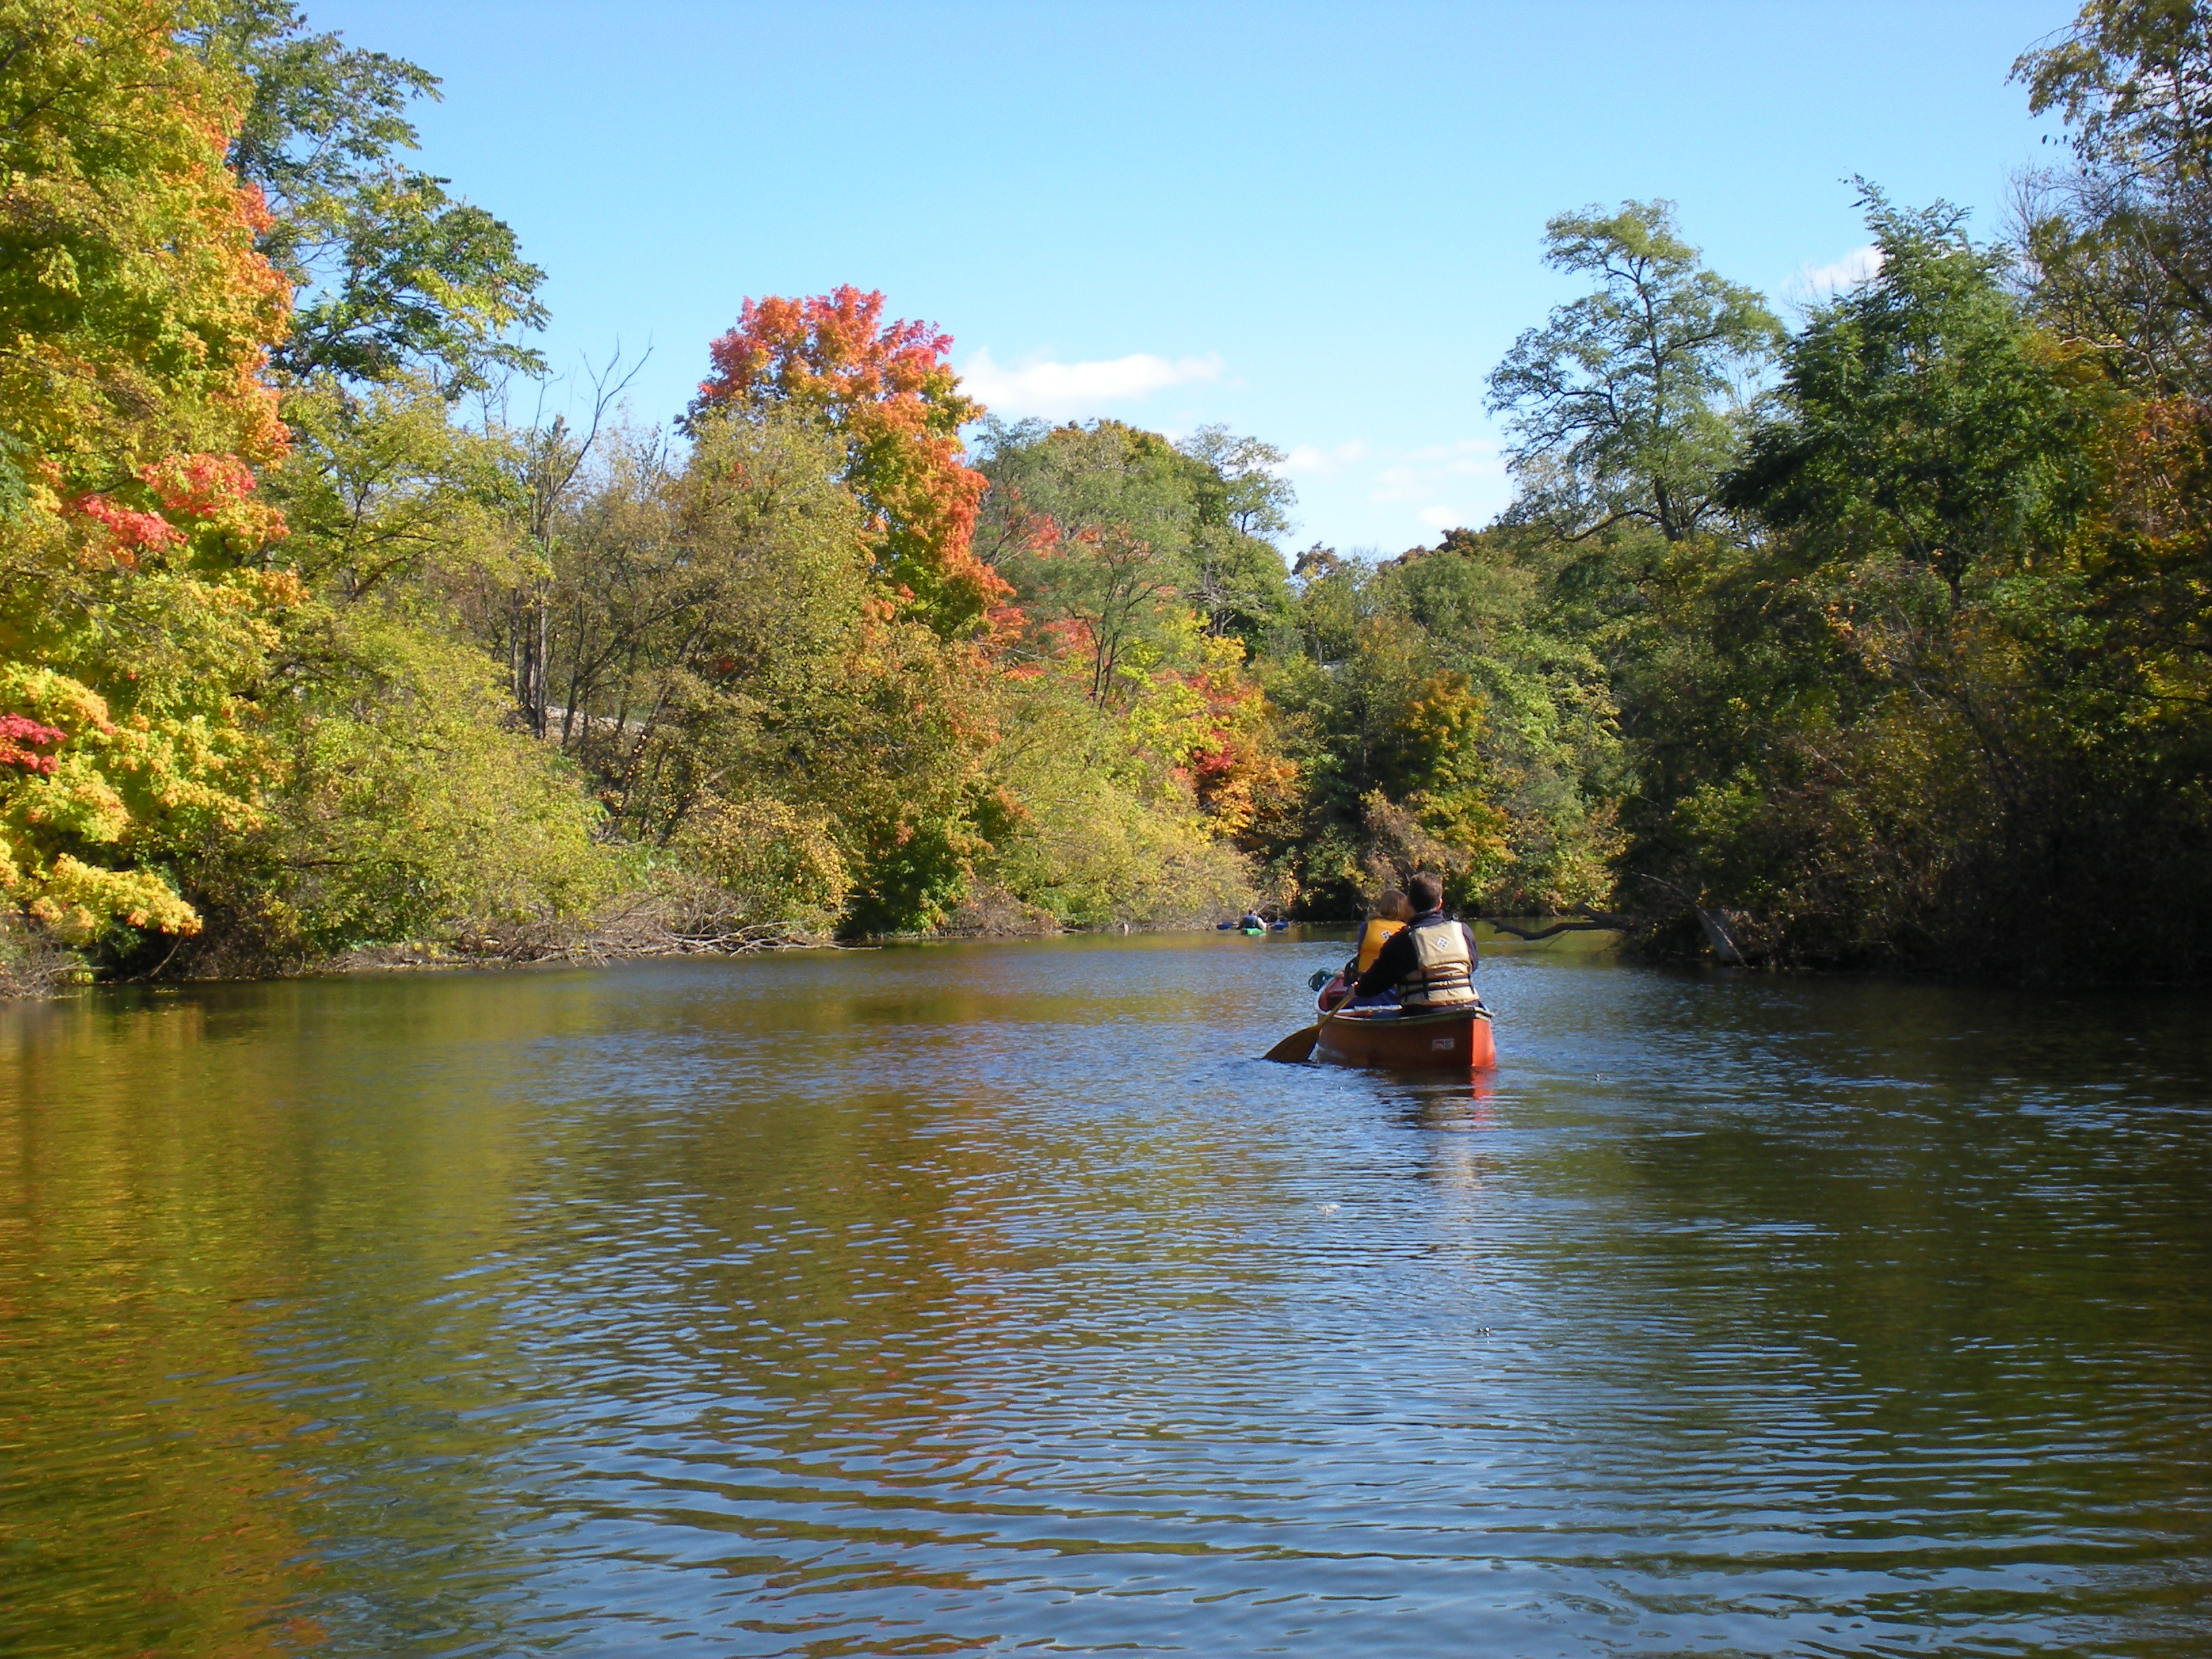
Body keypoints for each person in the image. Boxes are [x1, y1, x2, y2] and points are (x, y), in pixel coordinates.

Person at [1351, 871, 1481, 1011]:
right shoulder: (1463, 931)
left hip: (1424, 1013)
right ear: (1440, 903)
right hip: (1467, 1007)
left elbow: (1375, 983)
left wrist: (1357, 990)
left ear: (1408, 903)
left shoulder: (1402, 941)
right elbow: (1473, 966)